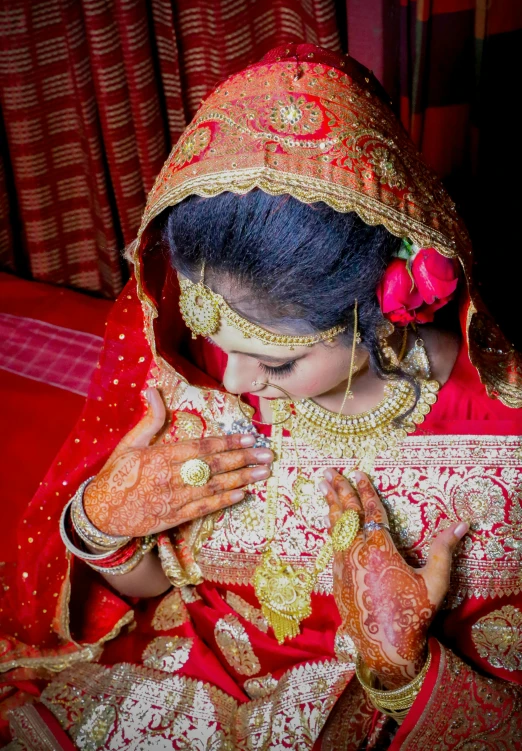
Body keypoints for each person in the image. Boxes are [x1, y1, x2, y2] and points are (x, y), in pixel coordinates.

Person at [1, 42, 521, 750]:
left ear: (385, 310)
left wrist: (403, 670)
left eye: (276, 361)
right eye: (213, 327)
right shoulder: (196, 371)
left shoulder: (502, 446)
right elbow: (159, 590)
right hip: (184, 694)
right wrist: (101, 526)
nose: (237, 380)